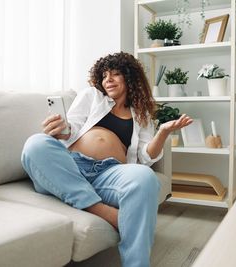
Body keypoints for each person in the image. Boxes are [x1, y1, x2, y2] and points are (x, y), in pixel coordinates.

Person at [21, 52, 192, 267]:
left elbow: (146, 156)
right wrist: (61, 129)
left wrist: (163, 132)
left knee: (145, 177)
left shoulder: (141, 114)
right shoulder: (91, 96)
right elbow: (71, 128)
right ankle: (104, 212)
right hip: (70, 167)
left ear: (130, 78)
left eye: (116, 74)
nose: (108, 79)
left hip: (108, 174)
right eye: (104, 75)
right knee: (36, 144)